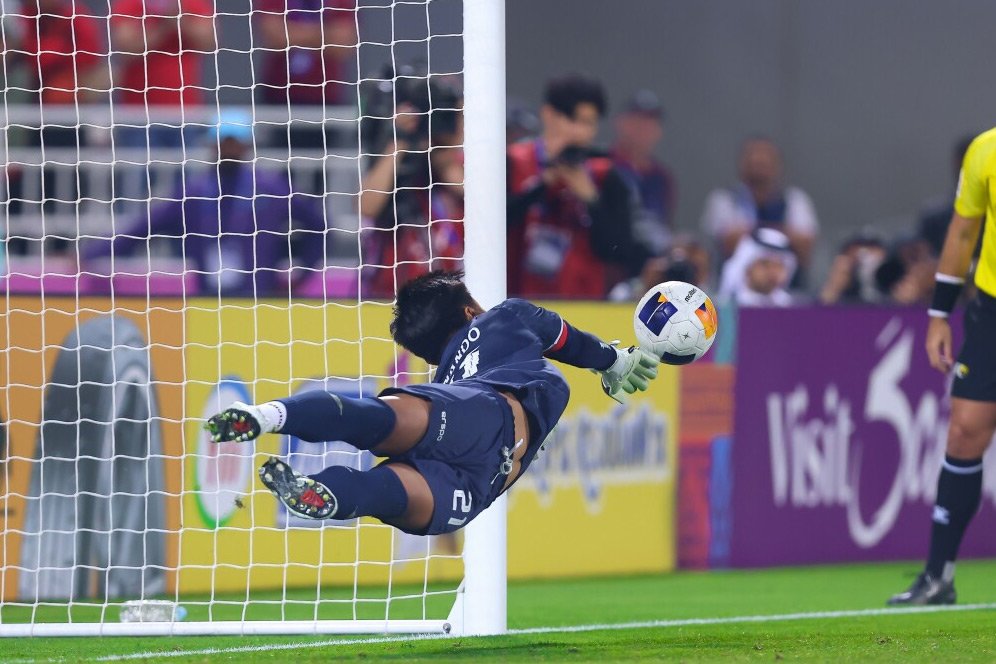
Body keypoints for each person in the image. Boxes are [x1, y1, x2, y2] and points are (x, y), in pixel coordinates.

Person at [205, 270, 660, 533]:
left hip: (472, 466)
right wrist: (613, 360)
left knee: (385, 447)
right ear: (469, 311)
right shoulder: (506, 318)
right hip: (489, 440)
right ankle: (325, 485)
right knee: (384, 446)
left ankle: (273, 424)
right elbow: (569, 340)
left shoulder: (443, 378)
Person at [887, 127, 996, 606]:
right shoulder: (986, 150)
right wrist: (939, 314)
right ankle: (938, 577)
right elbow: (963, 230)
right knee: (964, 432)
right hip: (993, 309)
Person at [85, 110, 328, 297]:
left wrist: (301, 275)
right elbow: (142, 229)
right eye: (224, 141)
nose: (229, 148)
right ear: (212, 144)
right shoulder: (194, 193)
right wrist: (90, 253)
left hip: (260, 301)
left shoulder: (272, 188)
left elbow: (319, 226)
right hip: (208, 304)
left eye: (235, 142)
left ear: (247, 145)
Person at [507, 73, 645, 299]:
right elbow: (490, 226)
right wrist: (542, 186)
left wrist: (591, 199)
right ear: (548, 115)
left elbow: (620, 251)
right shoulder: (514, 162)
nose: (579, 132)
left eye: (588, 123)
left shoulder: (606, 176)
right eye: (572, 120)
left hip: (582, 310)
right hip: (515, 303)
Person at [358, 76, 464, 298]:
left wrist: (444, 160)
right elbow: (367, 206)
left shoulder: (465, 168)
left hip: (454, 297)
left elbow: (479, 197)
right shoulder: (399, 165)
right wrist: (400, 141)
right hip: (391, 296)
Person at [701, 137, 819, 287]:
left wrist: (752, 232)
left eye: (765, 162)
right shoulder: (723, 200)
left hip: (788, 288)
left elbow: (804, 247)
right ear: (742, 165)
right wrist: (781, 232)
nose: (759, 166)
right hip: (734, 289)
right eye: (754, 162)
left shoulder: (795, 200)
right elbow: (728, 243)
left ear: (778, 166)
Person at [254, 0, 357, 108]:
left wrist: (291, 33)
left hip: (326, 98)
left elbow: (342, 44)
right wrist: (325, 35)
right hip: (276, 96)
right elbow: (274, 38)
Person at [611, 89, 676, 257]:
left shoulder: (662, 178)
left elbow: (662, 226)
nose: (644, 128)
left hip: (647, 268)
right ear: (621, 123)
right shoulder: (604, 165)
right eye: (638, 120)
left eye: (651, 122)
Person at [717, 227, 796, 307]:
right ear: (747, 267)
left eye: (779, 266)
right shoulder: (730, 306)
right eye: (765, 264)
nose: (772, 272)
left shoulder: (792, 306)